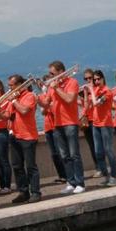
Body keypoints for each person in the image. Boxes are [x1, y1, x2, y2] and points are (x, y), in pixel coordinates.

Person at [1, 74, 41, 203]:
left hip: (28, 136)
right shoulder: (14, 98)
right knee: (17, 166)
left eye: (11, 86)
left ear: (19, 85)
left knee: (30, 166)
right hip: (15, 135)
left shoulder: (29, 96)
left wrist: (13, 101)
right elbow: (6, 115)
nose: (9, 88)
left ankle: (36, 192)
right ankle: (23, 192)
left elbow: (24, 111)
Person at [48, 60, 86, 194]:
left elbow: (69, 99)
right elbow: (47, 104)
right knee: (64, 155)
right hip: (57, 124)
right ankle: (71, 182)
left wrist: (56, 88)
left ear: (60, 72)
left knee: (74, 154)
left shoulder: (72, 83)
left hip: (70, 122)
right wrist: (39, 99)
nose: (51, 76)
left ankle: (80, 183)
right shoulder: (53, 87)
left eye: (52, 73)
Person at [88, 70, 116, 186]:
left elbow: (97, 103)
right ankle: (106, 176)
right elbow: (89, 105)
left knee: (109, 150)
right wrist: (87, 93)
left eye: (98, 79)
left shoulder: (107, 91)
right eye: (94, 80)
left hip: (106, 123)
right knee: (98, 152)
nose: (96, 82)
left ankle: (114, 176)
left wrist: (91, 90)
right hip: (95, 124)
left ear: (102, 79)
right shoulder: (95, 90)